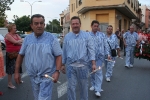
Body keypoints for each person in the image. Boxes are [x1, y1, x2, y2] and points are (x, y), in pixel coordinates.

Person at [14, 14, 62, 100]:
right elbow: (21, 55)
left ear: (44, 25)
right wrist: (17, 72)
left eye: (41, 23)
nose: (39, 26)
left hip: (47, 76)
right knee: (37, 97)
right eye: (36, 23)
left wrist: (57, 71)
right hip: (33, 76)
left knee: (43, 98)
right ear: (31, 26)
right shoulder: (27, 39)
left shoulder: (52, 38)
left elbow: (58, 55)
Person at [61, 16, 96, 100]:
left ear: (80, 24)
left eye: (77, 23)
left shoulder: (87, 36)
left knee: (83, 88)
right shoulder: (67, 37)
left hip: (83, 67)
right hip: (70, 67)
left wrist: (93, 63)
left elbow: (91, 50)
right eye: (73, 24)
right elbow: (64, 51)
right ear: (71, 25)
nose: (75, 25)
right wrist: (62, 64)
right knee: (70, 88)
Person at [89, 20, 110, 97]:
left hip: (99, 57)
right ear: (91, 26)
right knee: (92, 72)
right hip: (90, 58)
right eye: (94, 26)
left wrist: (107, 53)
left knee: (98, 72)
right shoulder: (87, 35)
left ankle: (98, 89)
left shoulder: (102, 35)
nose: (96, 27)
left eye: (97, 26)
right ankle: (94, 84)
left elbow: (105, 45)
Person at [5, 24, 23, 89]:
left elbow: (21, 41)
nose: (16, 29)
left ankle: (19, 79)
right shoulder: (8, 35)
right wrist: (17, 42)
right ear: (10, 29)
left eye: (15, 28)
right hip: (11, 54)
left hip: (18, 53)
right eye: (14, 28)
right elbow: (15, 42)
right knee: (10, 68)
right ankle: (9, 83)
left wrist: (18, 42)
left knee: (18, 66)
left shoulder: (16, 35)